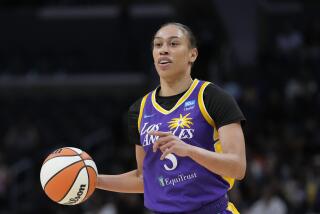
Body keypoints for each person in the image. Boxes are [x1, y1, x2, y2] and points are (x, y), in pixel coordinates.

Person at [97, 22, 246, 214]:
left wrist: (189, 150)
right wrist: (95, 181)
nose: (163, 50)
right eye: (158, 45)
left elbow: (238, 167)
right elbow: (145, 179)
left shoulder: (212, 97)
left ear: (192, 54)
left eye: (173, 44)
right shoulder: (139, 110)